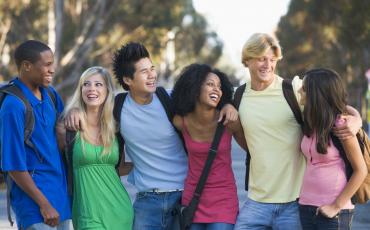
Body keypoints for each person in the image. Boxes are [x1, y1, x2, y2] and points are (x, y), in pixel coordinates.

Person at [64, 42, 238, 230]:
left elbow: (207, 98)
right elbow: (94, 102)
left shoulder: (170, 98)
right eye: (143, 72)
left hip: (183, 196)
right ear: (128, 80)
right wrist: (74, 111)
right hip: (147, 201)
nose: (152, 75)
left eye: (152, 69)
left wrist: (228, 104)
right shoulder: (118, 106)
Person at [234, 33, 362, 230]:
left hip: (295, 202)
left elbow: (332, 104)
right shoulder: (238, 96)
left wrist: (356, 119)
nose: (268, 65)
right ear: (247, 60)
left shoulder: (292, 88)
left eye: (272, 59)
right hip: (257, 201)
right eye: (261, 59)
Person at [0, 40, 71, 229]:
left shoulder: (51, 95)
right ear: (26, 66)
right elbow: (13, 166)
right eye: (47, 64)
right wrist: (44, 205)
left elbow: (62, 138)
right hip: (35, 207)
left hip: (61, 198)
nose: (52, 69)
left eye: (52, 64)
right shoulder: (13, 106)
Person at [171, 63, 247, 230]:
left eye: (219, 87)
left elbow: (251, 149)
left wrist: (229, 105)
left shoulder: (229, 121)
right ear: (195, 88)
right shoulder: (180, 121)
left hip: (223, 199)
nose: (216, 90)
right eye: (210, 84)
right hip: (193, 197)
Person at [58, 66, 133, 229]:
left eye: (98, 84)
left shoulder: (116, 127)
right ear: (81, 89)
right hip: (87, 214)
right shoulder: (67, 127)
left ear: (107, 90)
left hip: (120, 211)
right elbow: (58, 167)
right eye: (87, 84)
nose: (92, 88)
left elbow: (117, 169)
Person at [297, 68, 367, 230]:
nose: (300, 90)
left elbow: (360, 170)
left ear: (316, 94)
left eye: (305, 88)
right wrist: (356, 114)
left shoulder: (341, 126)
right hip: (306, 207)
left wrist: (336, 206)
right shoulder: (309, 121)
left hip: (334, 212)